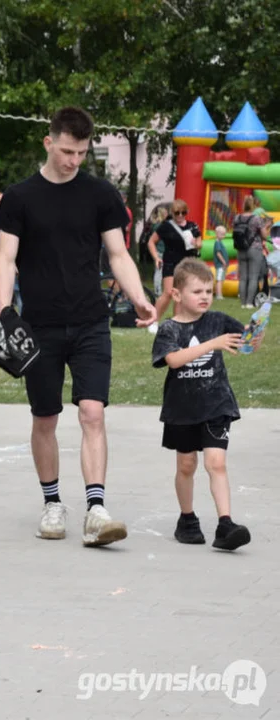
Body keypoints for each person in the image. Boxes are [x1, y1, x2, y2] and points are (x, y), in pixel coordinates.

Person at [0, 106, 156, 547]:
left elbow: (119, 255)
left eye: (82, 153)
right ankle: (52, 504)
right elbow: (5, 260)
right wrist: (4, 312)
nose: (73, 161)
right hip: (39, 327)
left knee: (93, 412)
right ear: (49, 142)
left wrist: (140, 298)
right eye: (67, 151)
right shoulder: (19, 197)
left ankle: (97, 510)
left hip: (90, 321)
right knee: (44, 418)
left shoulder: (100, 194)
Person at [150, 258, 254, 551]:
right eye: (198, 291)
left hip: (216, 403)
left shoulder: (218, 320)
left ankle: (226, 524)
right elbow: (172, 359)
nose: (205, 296)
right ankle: (187, 520)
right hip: (182, 408)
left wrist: (253, 337)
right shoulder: (169, 329)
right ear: (177, 295)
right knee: (186, 465)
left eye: (208, 290)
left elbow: (243, 340)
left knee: (216, 463)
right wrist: (212, 344)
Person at [147, 198, 202, 330]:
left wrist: (197, 244)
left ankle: (176, 324)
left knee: (180, 295)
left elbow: (199, 241)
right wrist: (156, 257)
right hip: (171, 262)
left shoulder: (192, 226)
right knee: (168, 292)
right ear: (172, 213)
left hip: (187, 263)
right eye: (177, 213)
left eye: (183, 212)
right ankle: (154, 321)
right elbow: (151, 242)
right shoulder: (166, 226)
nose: (180, 216)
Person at [233, 196, 271, 308]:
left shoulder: (237, 218)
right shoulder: (256, 219)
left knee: (243, 277)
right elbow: (264, 236)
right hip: (255, 249)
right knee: (253, 277)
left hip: (240, 249)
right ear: (254, 205)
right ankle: (249, 303)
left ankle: (243, 303)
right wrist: (267, 226)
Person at [212, 225, 230, 299]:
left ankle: (219, 293)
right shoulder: (217, 243)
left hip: (221, 265)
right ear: (217, 234)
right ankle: (219, 294)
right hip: (220, 265)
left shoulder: (220, 242)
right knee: (219, 279)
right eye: (222, 234)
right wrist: (223, 262)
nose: (223, 236)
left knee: (221, 279)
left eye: (224, 234)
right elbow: (218, 253)